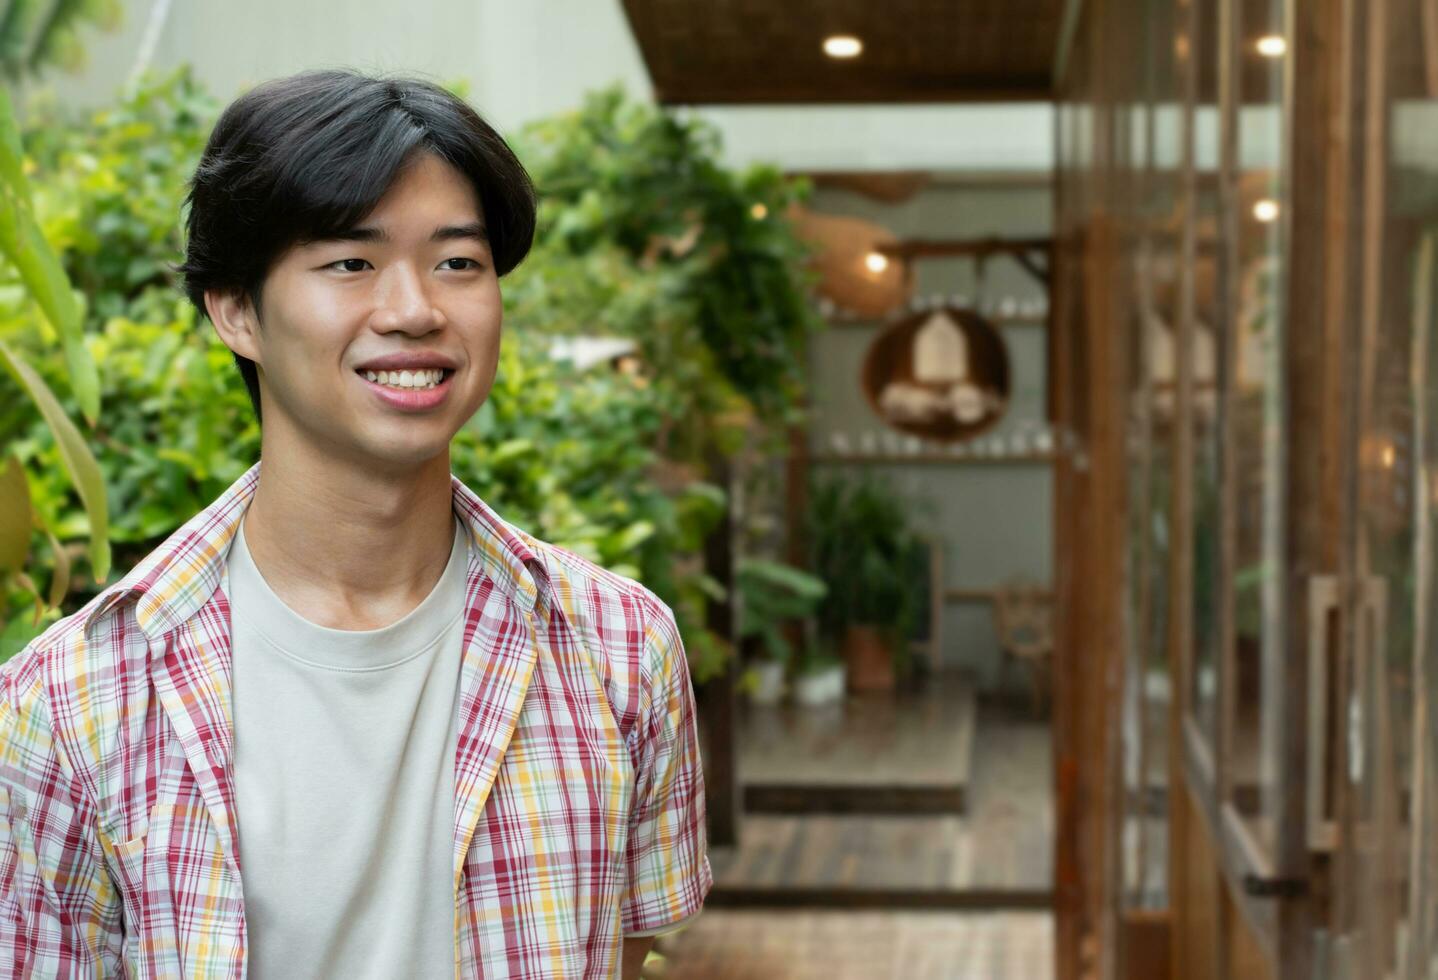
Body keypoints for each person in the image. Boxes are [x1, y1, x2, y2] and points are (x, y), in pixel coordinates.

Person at [0, 69, 710, 979]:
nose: (415, 310)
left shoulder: (616, 648)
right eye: (350, 262)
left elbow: (622, 956)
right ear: (237, 310)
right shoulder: (70, 701)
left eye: (459, 262)